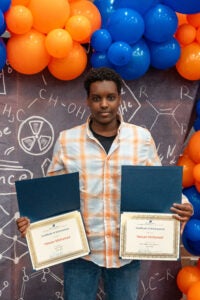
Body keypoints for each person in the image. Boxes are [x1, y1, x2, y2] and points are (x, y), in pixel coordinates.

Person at [16, 67, 193, 300]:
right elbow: (52, 191)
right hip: (81, 251)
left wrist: (182, 204)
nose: (104, 104)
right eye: (96, 98)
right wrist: (32, 217)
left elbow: (157, 184)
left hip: (126, 250)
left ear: (119, 98)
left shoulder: (141, 138)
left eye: (110, 97)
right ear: (88, 101)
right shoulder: (68, 140)